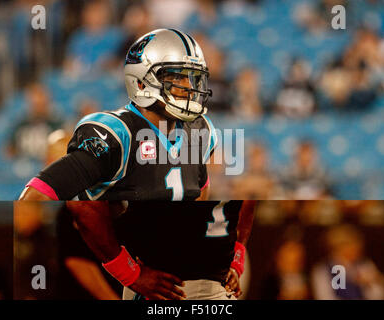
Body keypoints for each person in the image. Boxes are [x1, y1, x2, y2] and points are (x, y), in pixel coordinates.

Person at [20, 29, 217, 201]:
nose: (188, 87)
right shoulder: (117, 135)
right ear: (141, 82)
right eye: (176, 76)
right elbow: (37, 195)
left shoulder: (198, 130)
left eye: (192, 78)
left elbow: (199, 193)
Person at [66, 200, 256, 300]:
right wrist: (237, 254)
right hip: (197, 285)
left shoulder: (135, 140)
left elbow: (83, 204)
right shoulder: (225, 146)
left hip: (163, 285)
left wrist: (128, 272)